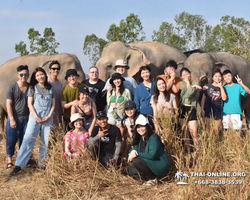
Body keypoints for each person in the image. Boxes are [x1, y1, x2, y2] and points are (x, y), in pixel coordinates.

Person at [9, 67, 55, 176]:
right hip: (35, 117)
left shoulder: (51, 88)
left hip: (47, 117)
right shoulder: (33, 88)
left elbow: (53, 104)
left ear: (45, 75)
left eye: (42, 74)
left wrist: (49, 115)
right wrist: (36, 117)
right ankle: (19, 165)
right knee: (28, 138)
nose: (40, 77)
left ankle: (41, 164)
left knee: (45, 141)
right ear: (35, 78)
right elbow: (30, 104)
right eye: (38, 75)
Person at [123, 115, 170, 186]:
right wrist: (132, 152)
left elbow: (152, 155)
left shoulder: (153, 137)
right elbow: (134, 148)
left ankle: (153, 179)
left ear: (147, 127)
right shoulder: (140, 138)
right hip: (148, 164)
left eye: (142, 126)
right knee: (128, 170)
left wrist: (136, 154)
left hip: (159, 164)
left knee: (137, 161)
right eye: (138, 127)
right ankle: (152, 177)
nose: (140, 129)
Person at [5, 65, 30, 170]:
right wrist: (11, 119)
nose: (23, 76)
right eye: (21, 75)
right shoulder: (12, 87)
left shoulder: (30, 87)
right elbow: (8, 104)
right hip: (14, 119)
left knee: (24, 141)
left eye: (25, 74)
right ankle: (9, 161)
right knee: (11, 141)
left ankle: (22, 161)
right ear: (17, 75)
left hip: (26, 119)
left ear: (28, 75)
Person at [106, 73, 131, 153]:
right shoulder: (110, 91)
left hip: (121, 114)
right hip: (111, 113)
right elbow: (108, 102)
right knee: (110, 133)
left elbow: (129, 103)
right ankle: (111, 152)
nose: (117, 81)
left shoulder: (126, 91)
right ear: (113, 81)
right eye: (115, 79)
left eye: (118, 79)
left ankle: (121, 153)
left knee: (121, 135)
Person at [179, 67, 201, 153]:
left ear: (190, 74)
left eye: (187, 74)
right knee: (185, 132)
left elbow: (189, 94)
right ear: (181, 77)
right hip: (182, 108)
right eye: (183, 75)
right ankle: (188, 150)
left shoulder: (195, 83)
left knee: (194, 133)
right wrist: (192, 86)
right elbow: (187, 95)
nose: (185, 76)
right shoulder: (181, 84)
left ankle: (197, 151)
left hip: (191, 108)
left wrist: (190, 84)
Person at [201, 68, 227, 139]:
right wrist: (202, 108)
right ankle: (207, 145)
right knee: (207, 129)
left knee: (216, 130)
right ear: (212, 77)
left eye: (219, 76)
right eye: (215, 76)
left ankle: (215, 145)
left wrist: (221, 87)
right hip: (208, 107)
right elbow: (204, 98)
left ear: (221, 78)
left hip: (218, 108)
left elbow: (224, 98)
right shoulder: (208, 86)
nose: (217, 78)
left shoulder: (223, 88)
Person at [48, 60, 63, 125]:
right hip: (49, 113)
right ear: (50, 70)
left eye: (57, 69)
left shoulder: (60, 83)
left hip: (59, 113)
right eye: (53, 69)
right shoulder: (47, 82)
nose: (56, 70)